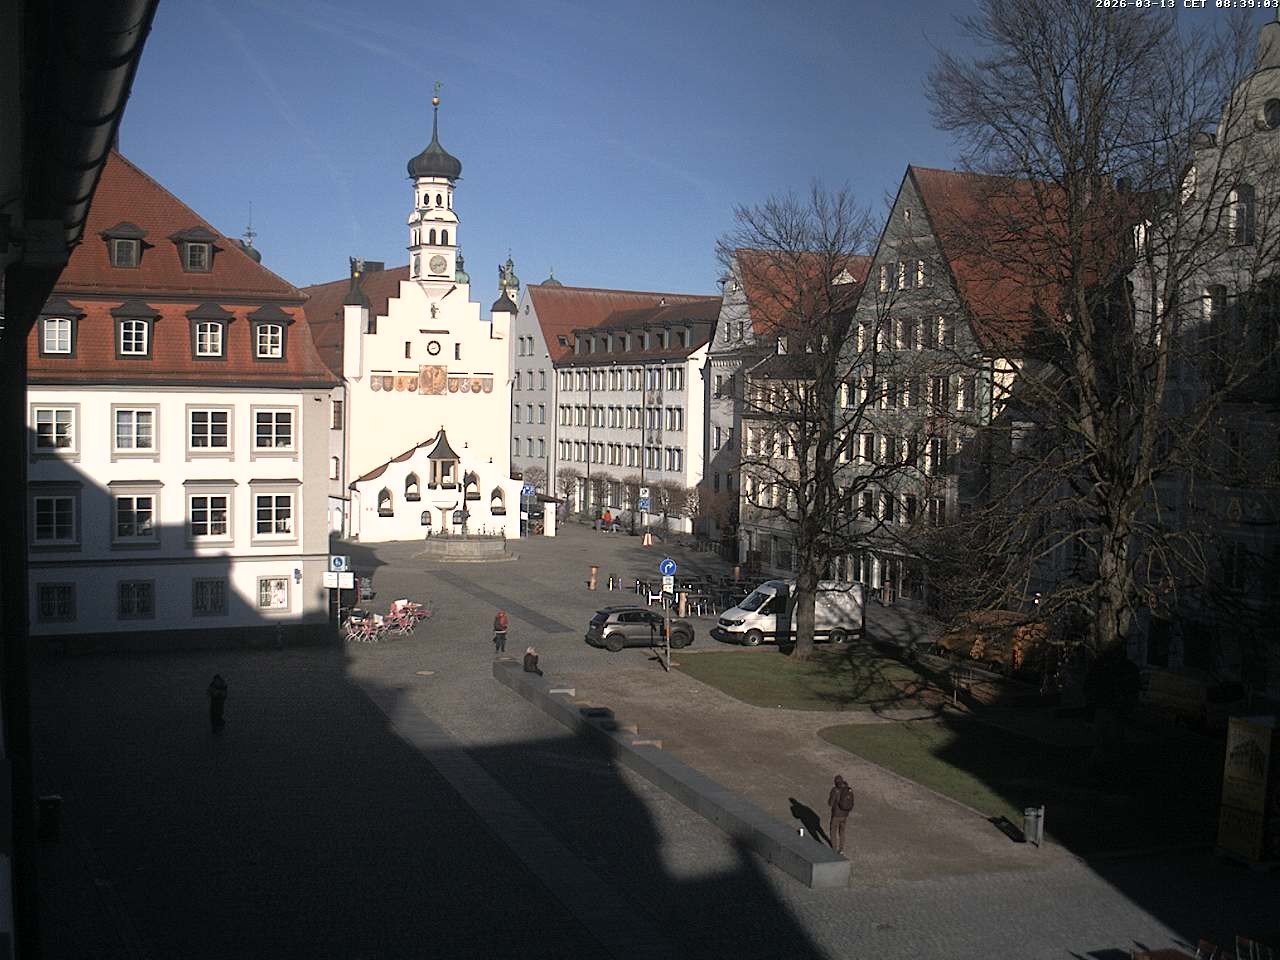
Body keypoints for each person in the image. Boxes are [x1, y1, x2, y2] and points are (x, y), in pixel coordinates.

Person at [827, 774, 854, 854]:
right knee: (842, 832)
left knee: (833, 831)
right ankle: (841, 849)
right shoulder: (848, 790)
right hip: (845, 815)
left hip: (836, 815)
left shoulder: (835, 790)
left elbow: (830, 803)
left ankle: (834, 849)